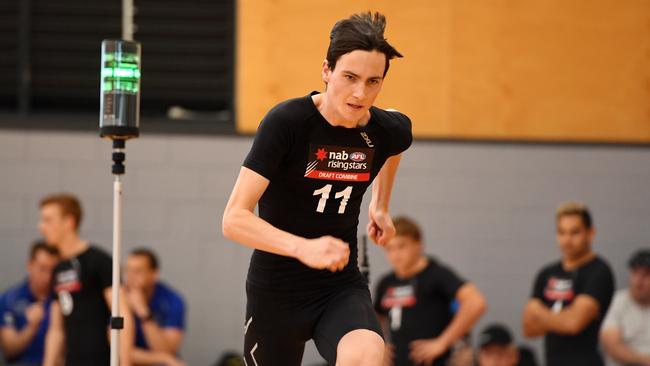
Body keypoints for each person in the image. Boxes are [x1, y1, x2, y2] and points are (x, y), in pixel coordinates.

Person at [222, 11, 412, 366]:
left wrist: (380, 205)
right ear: (326, 70)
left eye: (373, 82)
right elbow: (233, 219)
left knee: (367, 355)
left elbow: (398, 141)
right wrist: (302, 248)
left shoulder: (384, 130)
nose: (360, 93)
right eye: (350, 77)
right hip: (276, 290)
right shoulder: (288, 122)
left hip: (338, 285)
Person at [374, 216, 487, 366]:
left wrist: (442, 342)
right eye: (389, 249)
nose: (395, 255)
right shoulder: (386, 282)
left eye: (401, 246)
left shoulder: (436, 274)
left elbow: (475, 302)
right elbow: (375, 317)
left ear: (418, 245)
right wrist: (378, 345)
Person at [38, 193, 134, 366]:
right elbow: (56, 329)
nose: (41, 227)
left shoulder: (100, 261)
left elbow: (122, 314)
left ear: (69, 222)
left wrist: (124, 363)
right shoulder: (58, 269)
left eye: (48, 220)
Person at [522, 201, 615, 366]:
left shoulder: (599, 271)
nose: (567, 240)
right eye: (561, 232)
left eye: (574, 232)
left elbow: (573, 324)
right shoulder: (546, 273)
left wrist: (539, 311)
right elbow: (528, 328)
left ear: (590, 232)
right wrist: (563, 318)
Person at [124, 248, 186, 366]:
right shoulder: (117, 298)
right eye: (127, 270)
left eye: (138, 271)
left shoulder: (172, 300)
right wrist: (163, 358)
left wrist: (143, 311)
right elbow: (119, 349)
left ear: (154, 274)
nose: (131, 276)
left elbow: (167, 350)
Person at [0, 242, 59, 365]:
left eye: (53, 270)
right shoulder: (10, 299)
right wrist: (31, 327)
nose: (48, 276)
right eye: (42, 268)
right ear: (30, 265)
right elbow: (9, 349)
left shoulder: (63, 300)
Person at [600, 249, 650, 366]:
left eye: (646, 275)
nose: (639, 281)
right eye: (635, 273)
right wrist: (646, 360)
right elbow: (612, 346)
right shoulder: (615, 302)